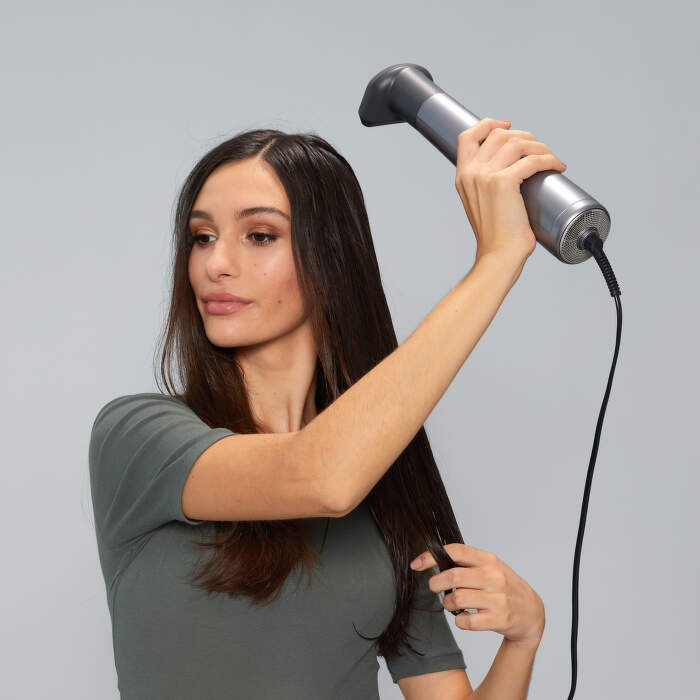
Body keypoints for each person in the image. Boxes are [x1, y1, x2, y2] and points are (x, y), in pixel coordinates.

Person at [89, 118, 565, 699]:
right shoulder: (137, 438)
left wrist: (524, 637)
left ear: (331, 255)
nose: (216, 263)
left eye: (259, 235)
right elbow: (320, 477)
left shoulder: (384, 504)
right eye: (203, 237)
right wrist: (496, 261)